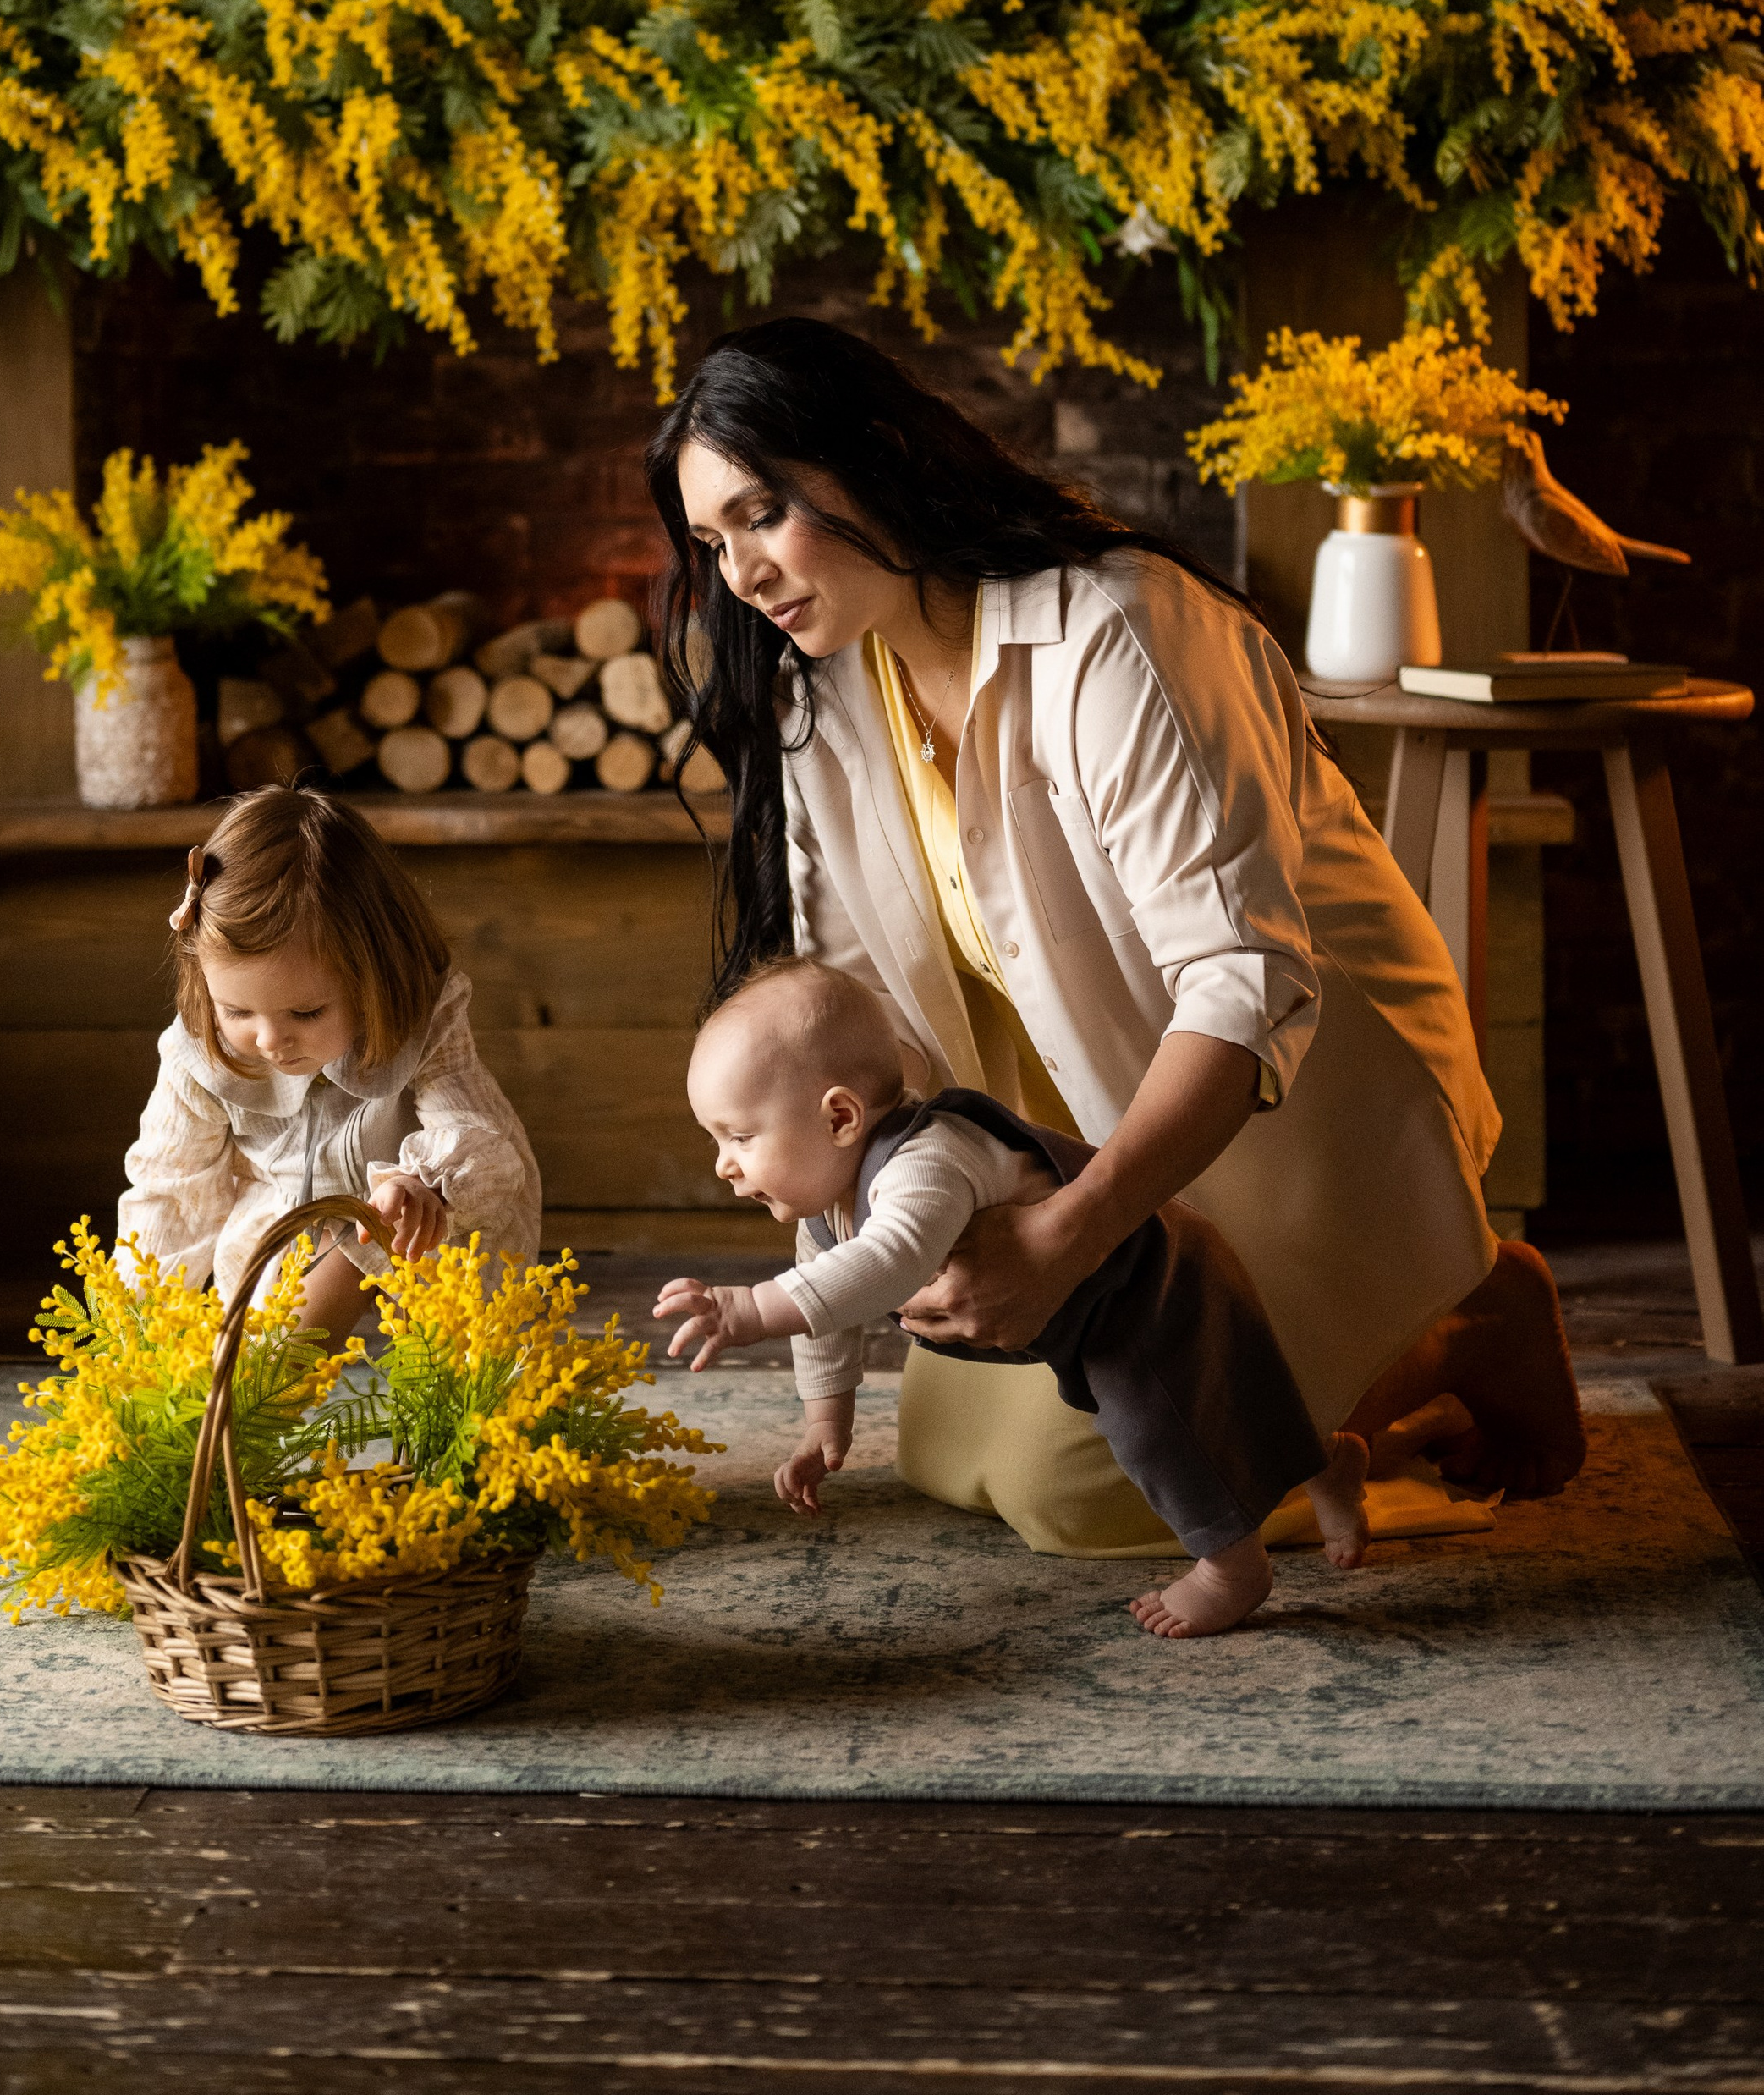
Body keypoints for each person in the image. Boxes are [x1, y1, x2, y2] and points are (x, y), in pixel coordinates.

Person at [646, 317, 1585, 1559]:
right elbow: (856, 1034)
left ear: (872, 456)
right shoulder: (828, 697)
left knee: (1080, 1497)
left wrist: (1071, 1232)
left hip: (1296, 1112)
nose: (743, 575)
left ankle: (1469, 1310)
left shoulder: (1119, 633)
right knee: (946, 1452)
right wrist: (887, 1229)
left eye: (764, 513)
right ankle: (1325, 1369)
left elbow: (1241, 990)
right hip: (1091, 1113)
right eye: (716, 543)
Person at [655, 959, 1371, 1636]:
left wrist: (749, 1310)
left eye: (740, 1136)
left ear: (840, 1118)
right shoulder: (825, 1205)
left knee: (1162, 1431)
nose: (724, 1164)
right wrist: (824, 1422)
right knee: (1227, 1394)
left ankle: (1231, 1569)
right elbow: (826, 1315)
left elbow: (890, 1259)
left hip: (1138, 1282)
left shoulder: (926, 1161)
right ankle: (1326, 1462)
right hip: (1066, 1315)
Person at [116, 783, 541, 1334]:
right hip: (284, 1231)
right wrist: (137, 1326)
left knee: (377, 1242)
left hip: (426, 1227)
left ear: (370, 980)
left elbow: (473, 1126)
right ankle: (256, 1405)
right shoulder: (199, 1054)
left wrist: (425, 1183)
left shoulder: (421, 1020)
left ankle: (453, 1392)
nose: (271, 1040)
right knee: (272, 1339)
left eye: (307, 1012)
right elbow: (170, 1191)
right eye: (238, 1011)